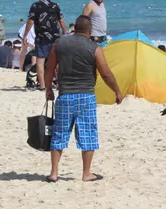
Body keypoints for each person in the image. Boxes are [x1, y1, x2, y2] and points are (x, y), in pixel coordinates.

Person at [44, 15, 123, 183]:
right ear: (90, 30)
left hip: (65, 95)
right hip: (86, 97)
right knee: (88, 134)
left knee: (59, 133)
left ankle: (54, 173)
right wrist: (117, 91)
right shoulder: (94, 48)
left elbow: (49, 69)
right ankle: (86, 173)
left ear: (75, 28)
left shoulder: (59, 44)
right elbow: (106, 74)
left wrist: (48, 89)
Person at [22, 0, 67, 90]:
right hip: (55, 36)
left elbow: (30, 21)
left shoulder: (35, 6)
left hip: (42, 37)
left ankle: (42, 86)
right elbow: (61, 20)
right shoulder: (55, 5)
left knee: (40, 61)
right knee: (56, 61)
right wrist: (65, 32)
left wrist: (25, 35)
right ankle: (60, 84)